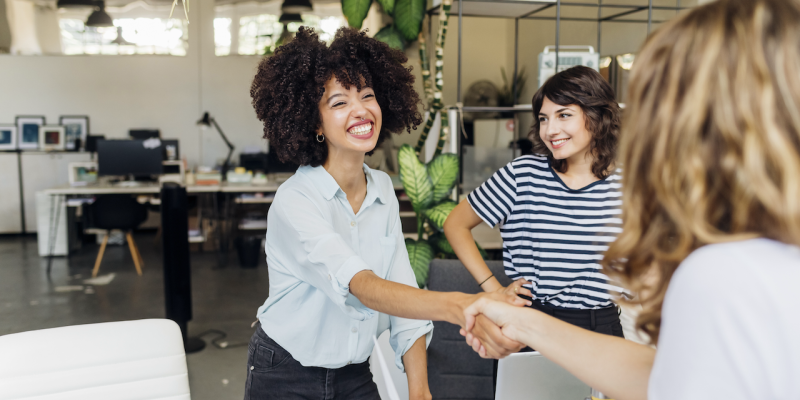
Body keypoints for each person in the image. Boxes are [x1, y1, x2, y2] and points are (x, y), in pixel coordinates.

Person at [461, 0, 800, 399]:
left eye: (667, 102)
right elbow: (664, 379)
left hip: (598, 320)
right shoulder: (741, 259)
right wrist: (516, 315)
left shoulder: (720, 272)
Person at [247, 27, 528, 400]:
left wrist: (419, 389)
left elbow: (402, 289)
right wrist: (461, 304)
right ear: (314, 123)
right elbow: (362, 286)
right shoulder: (295, 200)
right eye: (339, 102)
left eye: (367, 96)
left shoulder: (382, 190)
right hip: (284, 372)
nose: (361, 110)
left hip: (353, 374)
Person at [444, 66, 626, 359]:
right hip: (530, 324)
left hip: (601, 327)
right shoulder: (522, 175)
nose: (551, 130)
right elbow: (455, 224)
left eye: (564, 115)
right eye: (544, 118)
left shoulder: (626, 186)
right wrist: (492, 288)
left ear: (597, 116)